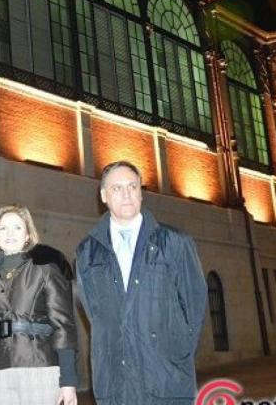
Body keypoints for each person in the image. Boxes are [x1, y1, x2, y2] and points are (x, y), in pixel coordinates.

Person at [75, 160, 207, 405]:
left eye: (132, 187)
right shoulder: (87, 251)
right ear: (104, 195)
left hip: (166, 379)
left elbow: (195, 304)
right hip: (116, 381)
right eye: (117, 188)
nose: (126, 194)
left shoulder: (175, 242)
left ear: (141, 193)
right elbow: (95, 314)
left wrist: (176, 355)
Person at [0, 205, 78, 405]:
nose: (10, 233)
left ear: (28, 234)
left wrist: (68, 380)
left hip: (40, 368)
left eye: (17, 227)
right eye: (3, 228)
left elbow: (63, 325)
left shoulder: (45, 269)